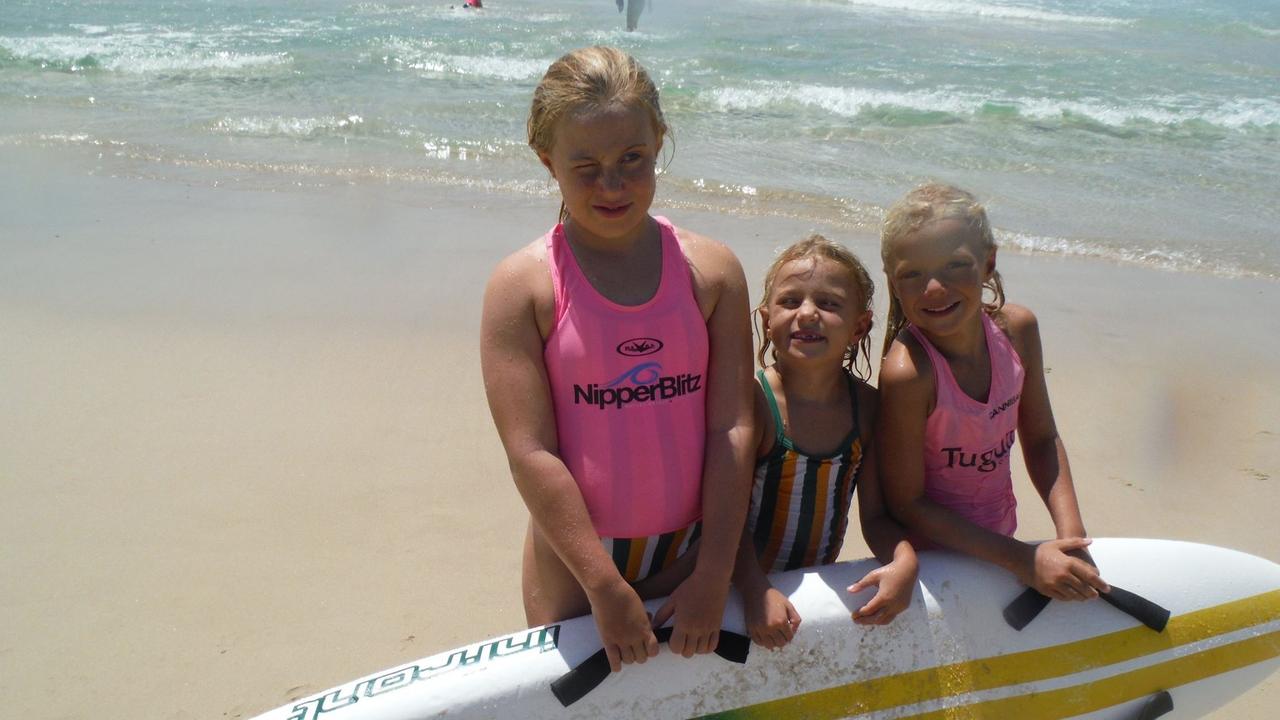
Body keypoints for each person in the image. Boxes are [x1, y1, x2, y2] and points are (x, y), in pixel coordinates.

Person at [479, 46, 755, 674]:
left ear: (660, 140)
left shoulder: (711, 271)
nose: (613, 184)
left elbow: (732, 425)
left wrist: (714, 571)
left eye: (633, 159)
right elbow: (531, 453)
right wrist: (603, 585)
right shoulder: (524, 287)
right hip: (577, 569)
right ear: (548, 162)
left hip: (693, 554)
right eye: (587, 166)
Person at [877, 182, 1109, 603]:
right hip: (929, 568)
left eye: (955, 265)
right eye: (913, 273)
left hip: (1001, 540)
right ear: (894, 283)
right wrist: (1022, 560)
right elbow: (907, 503)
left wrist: (1072, 537)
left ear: (989, 263)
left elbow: (1041, 439)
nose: (933, 287)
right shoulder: (909, 373)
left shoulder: (1017, 331)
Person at [733, 236, 917, 649]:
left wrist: (904, 560)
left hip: (814, 588)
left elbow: (876, 517)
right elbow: (722, 517)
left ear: (860, 326)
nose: (808, 314)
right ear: (766, 318)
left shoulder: (867, 408)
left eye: (830, 304)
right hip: (739, 585)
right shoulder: (754, 402)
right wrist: (753, 588)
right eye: (790, 301)